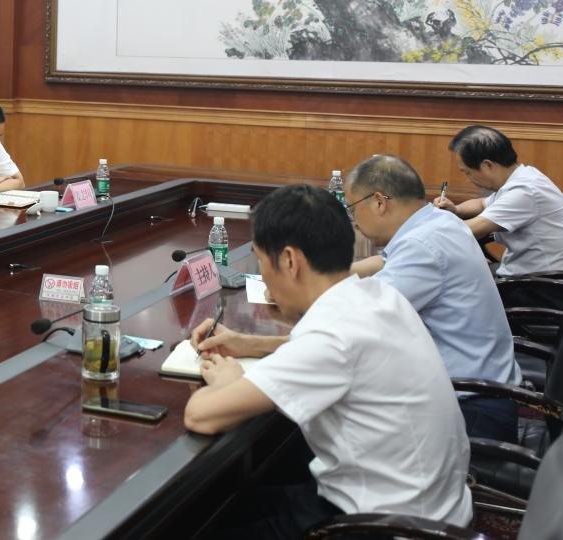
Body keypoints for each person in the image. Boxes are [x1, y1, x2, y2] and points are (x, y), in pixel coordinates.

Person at [184, 184, 471, 539]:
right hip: (431, 508)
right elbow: (336, 353)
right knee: (231, 503)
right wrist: (250, 344)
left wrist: (229, 381)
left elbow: (200, 415)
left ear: (289, 261)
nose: (263, 274)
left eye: (261, 259)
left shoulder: (332, 335)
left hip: (383, 526)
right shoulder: (376, 295)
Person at [345, 155, 521, 441]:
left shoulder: (422, 245)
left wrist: (304, 294)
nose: (354, 219)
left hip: (470, 410)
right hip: (487, 391)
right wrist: (332, 275)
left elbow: (358, 318)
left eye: (353, 209)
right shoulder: (438, 221)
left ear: (379, 202)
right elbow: (386, 263)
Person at [435, 124, 563, 275]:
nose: (468, 179)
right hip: (524, 273)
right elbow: (481, 204)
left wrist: (424, 227)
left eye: (467, 172)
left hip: (539, 283)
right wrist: (457, 210)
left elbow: (469, 229)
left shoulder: (524, 191)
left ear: (487, 165)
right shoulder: (523, 177)